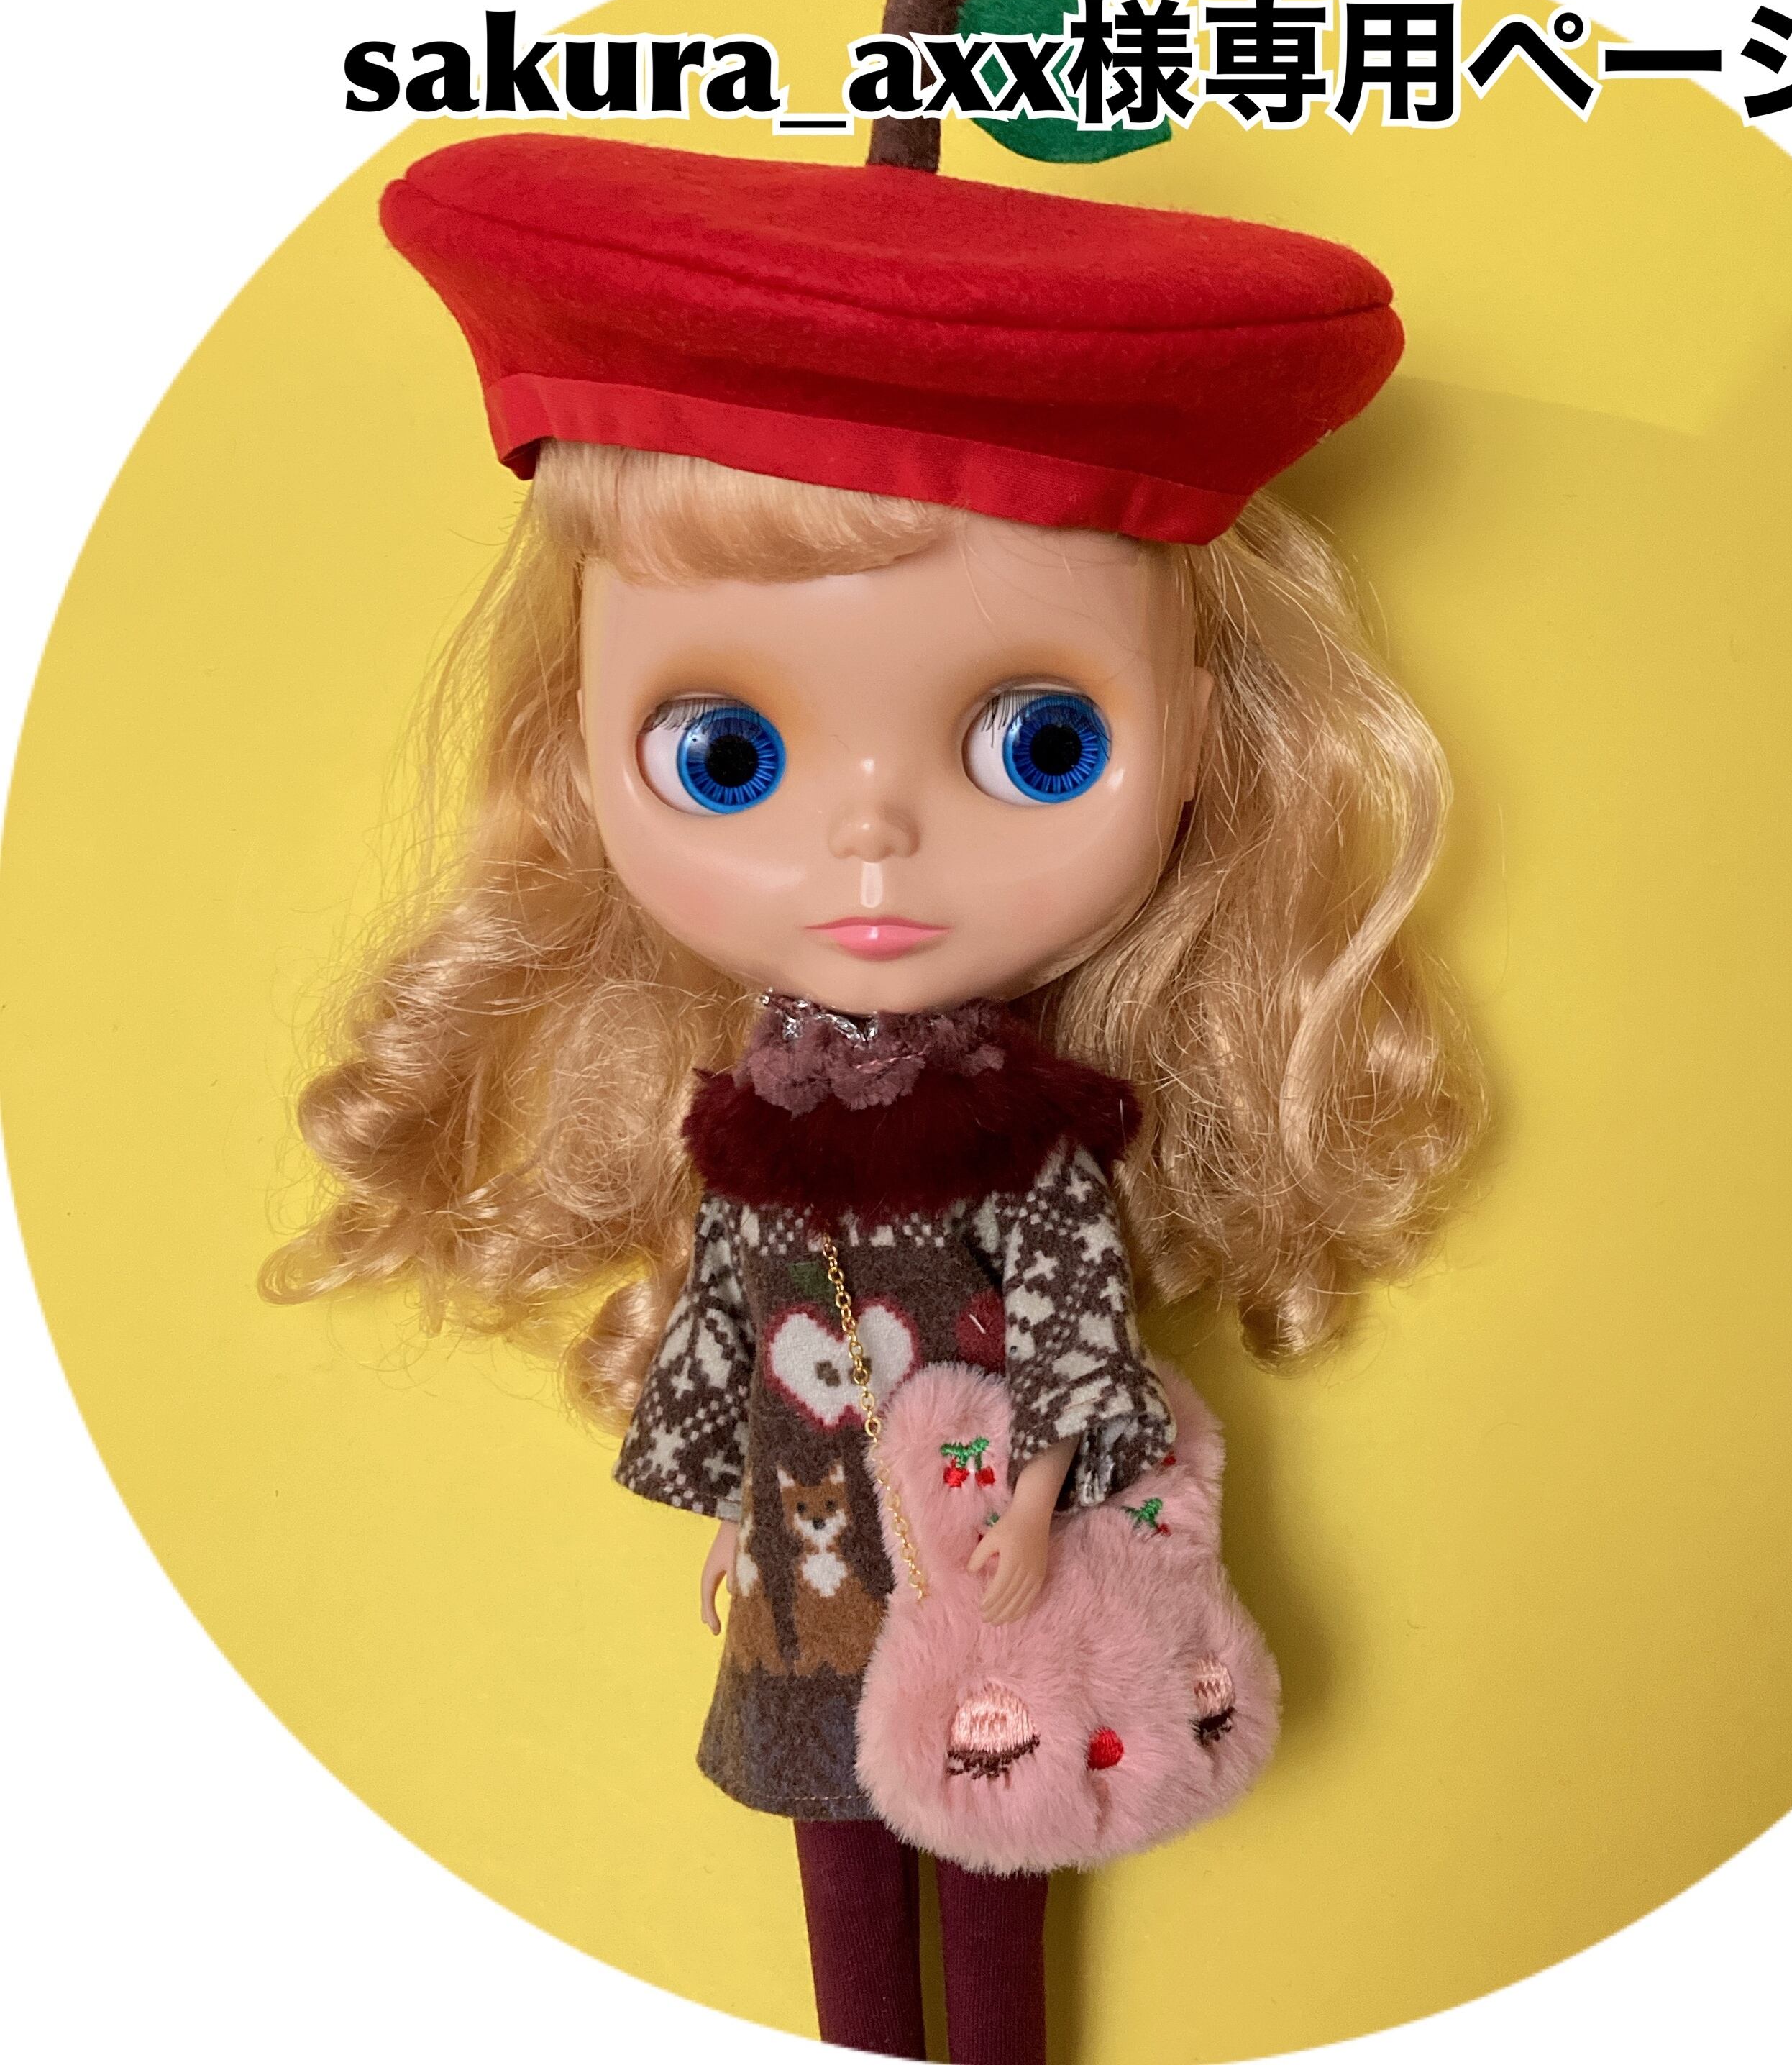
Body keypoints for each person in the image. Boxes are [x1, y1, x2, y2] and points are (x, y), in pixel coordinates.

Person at [265, 132, 1484, 2062]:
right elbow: (727, 1295)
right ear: (574, 748)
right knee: (832, 1846)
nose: (872, 838)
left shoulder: (1027, 1131)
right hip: (809, 1554)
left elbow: (1073, 1320)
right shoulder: (758, 1115)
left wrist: (1045, 1497)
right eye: (726, 752)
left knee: (1001, 1862)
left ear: (1200, 746)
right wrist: (714, 1485)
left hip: (999, 1556)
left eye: (1040, 741)